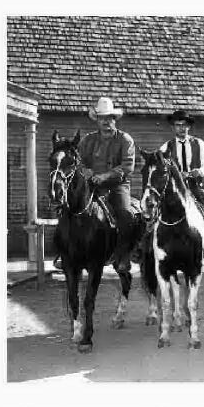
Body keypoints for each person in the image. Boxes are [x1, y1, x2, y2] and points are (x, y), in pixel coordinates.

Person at [159, 110, 204, 272]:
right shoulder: (166, 147)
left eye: (184, 125)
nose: (181, 129)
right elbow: (160, 170)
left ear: (189, 127)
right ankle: (150, 251)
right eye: (177, 125)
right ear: (173, 127)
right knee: (155, 212)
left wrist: (198, 172)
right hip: (174, 190)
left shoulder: (199, 144)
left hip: (193, 187)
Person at [77, 97, 137, 274]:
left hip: (117, 186)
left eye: (110, 118)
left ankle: (123, 256)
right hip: (91, 186)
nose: (106, 122)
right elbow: (78, 161)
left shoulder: (125, 139)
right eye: (102, 118)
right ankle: (69, 253)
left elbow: (128, 166)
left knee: (126, 215)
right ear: (97, 120)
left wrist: (105, 176)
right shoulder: (87, 140)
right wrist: (85, 171)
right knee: (71, 209)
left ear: (115, 120)